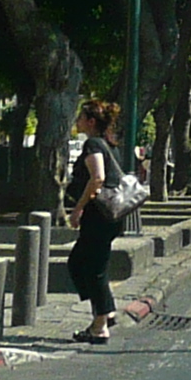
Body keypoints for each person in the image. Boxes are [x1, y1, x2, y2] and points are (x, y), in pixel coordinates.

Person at [64, 111, 142, 344]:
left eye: (80, 117)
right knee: (81, 263)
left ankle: (100, 325)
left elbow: (97, 178)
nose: (76, 121)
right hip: (107, 217)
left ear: (91, 121)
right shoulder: (109, 145)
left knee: (91, 267)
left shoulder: (94, 144)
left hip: (98, 215)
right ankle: (105, 311)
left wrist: (78, 208)